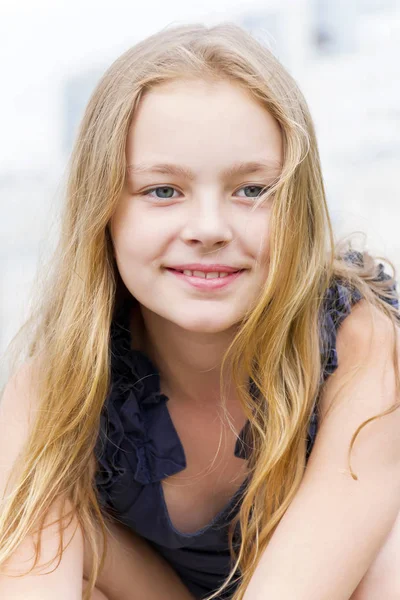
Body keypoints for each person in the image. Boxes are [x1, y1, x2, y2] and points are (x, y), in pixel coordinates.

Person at [1, 21, 400, 600]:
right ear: (103, 211)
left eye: (252, 190)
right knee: (40, 507)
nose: (209, 229)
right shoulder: (53, 387)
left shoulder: (358, 342)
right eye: (163, 191)